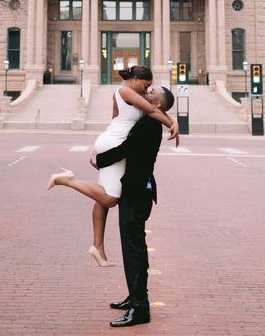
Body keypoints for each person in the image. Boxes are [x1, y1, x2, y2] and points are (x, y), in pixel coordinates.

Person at [47, 66, 178, 267]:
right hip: (116, 144)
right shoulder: (125, 91)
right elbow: (152, 109)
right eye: (146, 85)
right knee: (109, 198)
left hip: (112, 139)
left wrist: (171, 119)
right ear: (135, 79)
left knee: (101, 196)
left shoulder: (129, 95)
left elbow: (121, 117)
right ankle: (66, 180)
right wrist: (172, 124)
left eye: (150, 88)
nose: (146, 90)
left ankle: (97, 247)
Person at [93, 85, 175, 328]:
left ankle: (140, 308)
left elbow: (125, 150)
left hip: (137, 193)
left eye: (152, 92)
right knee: (133, 248)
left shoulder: (149, 124)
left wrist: (98, 161)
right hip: (135, 190)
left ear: (157, 104)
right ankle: (135, 297)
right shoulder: (147, 118)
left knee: (134, 250)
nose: (146, 93)